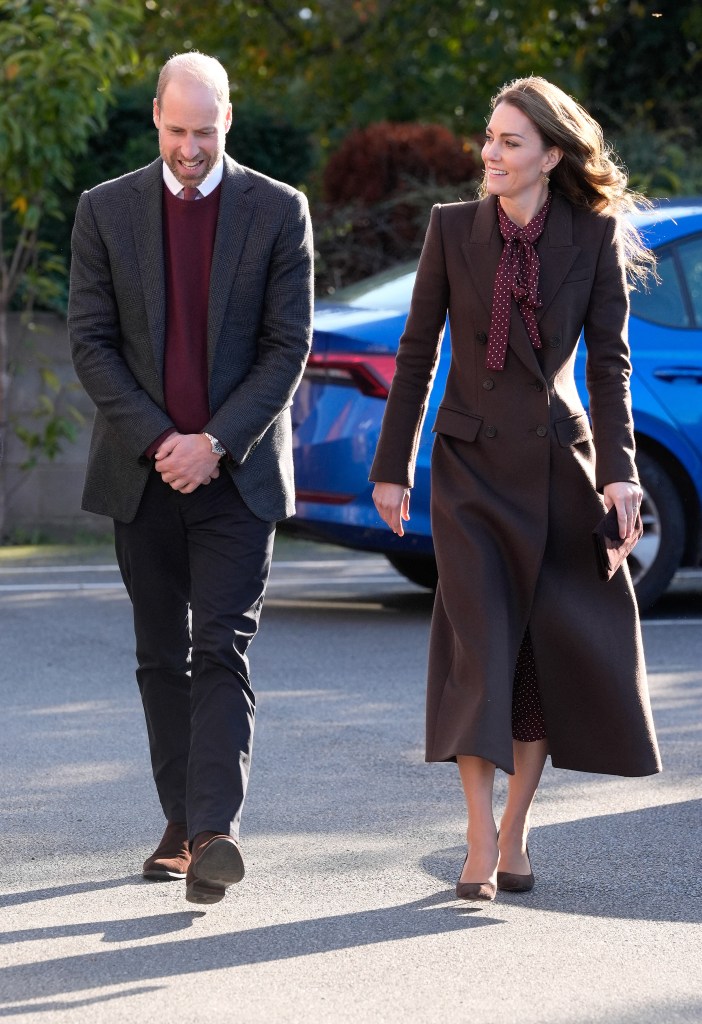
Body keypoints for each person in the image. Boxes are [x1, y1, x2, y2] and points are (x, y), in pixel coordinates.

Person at [370, 76, 661, 902]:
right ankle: (473, 833)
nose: (491, 154)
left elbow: (610, 368)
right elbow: (417, 351)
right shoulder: (451, 230)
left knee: (533, 657)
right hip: (466, 472)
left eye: (510, 142)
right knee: (478, 650)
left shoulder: (591, 237)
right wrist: (394, 467)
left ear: (551, 155)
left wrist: (621, 474)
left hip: (554, 474)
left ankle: (515, 829)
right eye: (489, 138)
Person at [68, 52, 313, 905]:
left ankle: (211, 833)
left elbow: (288, 348)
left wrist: (213, 441)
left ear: (228, 121)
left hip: (236, 479)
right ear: (156, 119)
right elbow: (90, 343)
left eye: (204, 132)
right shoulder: (105, 210)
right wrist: (163, 441)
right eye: (177, 131)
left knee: (220, 649)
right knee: (158, 657)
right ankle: (181, 821)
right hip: (143, 477)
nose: (190, 148)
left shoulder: (280, 210)